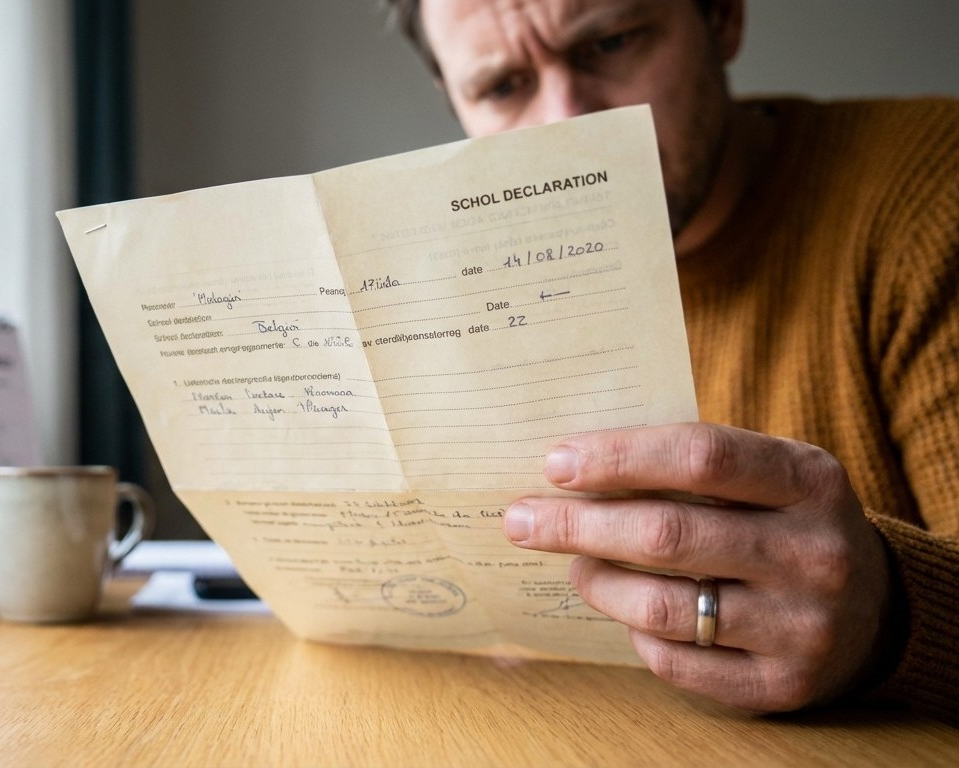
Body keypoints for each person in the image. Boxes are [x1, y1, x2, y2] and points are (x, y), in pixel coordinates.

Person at [384, 0, 959, 721]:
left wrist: (891, 612)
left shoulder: (934, 194)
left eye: (611, 43)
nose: (570, 124)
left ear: (721, 18)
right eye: (502, 88)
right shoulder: (441, 293)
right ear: (454, 101)